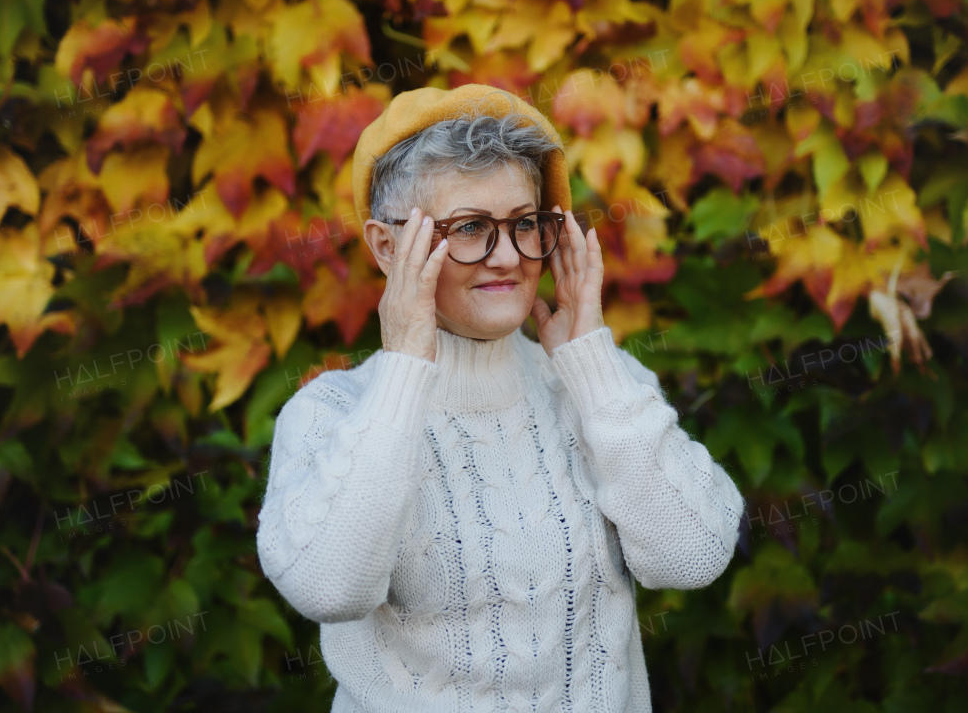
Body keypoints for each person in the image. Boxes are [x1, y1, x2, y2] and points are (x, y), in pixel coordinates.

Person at [256, 84, 745, 712]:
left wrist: (590, 361)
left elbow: (694, 557)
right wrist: (406, 366)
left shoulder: (599, 385)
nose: (509, 257)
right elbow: (328, 587)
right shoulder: (332, 412)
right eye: (470, 229)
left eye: (525, 223)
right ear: (387, 248)